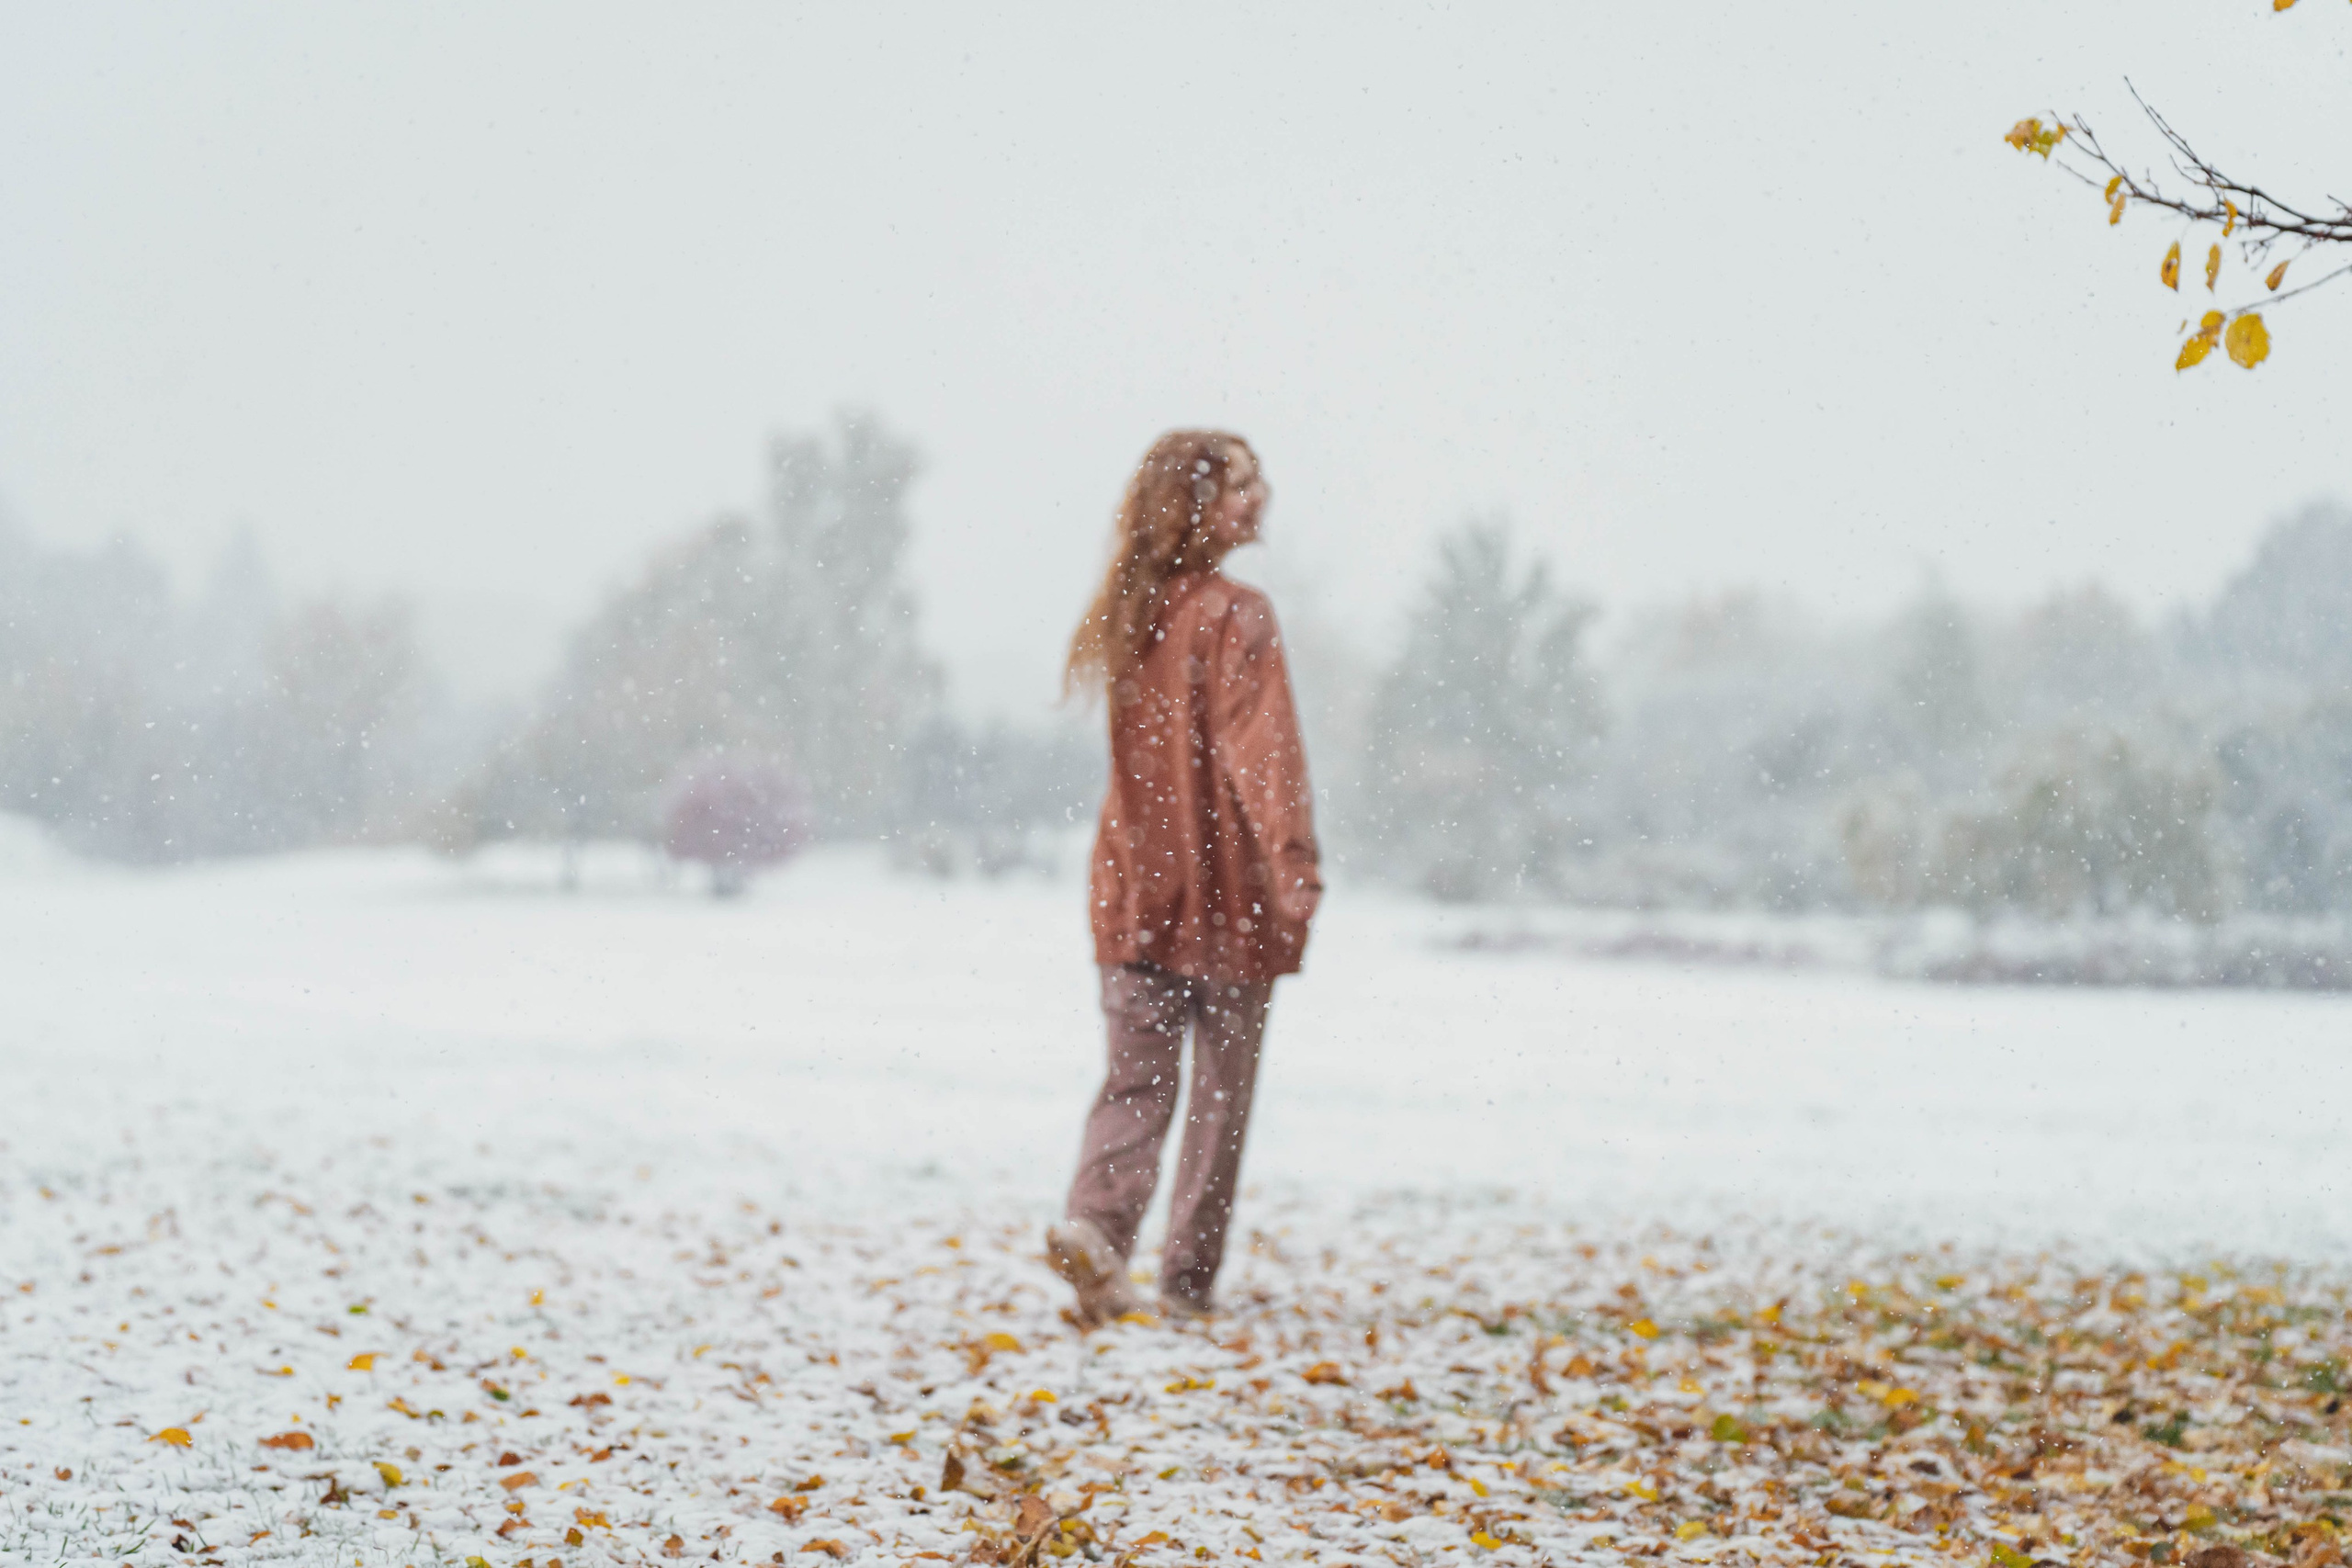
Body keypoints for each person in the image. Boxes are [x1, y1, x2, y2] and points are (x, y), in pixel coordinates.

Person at [1046, 430, 1322, 1327]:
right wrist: (1295, 868)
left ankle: (1096, 1228)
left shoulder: (1129, 611)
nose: (1261, 500)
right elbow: (1262, 757)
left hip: (1133, 887)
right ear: (1194, 507)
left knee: (1134, 1082)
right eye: (1241, 487)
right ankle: (1185, 1282)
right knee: (1219, 1100)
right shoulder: (1236, 615)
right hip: (1229, 899)